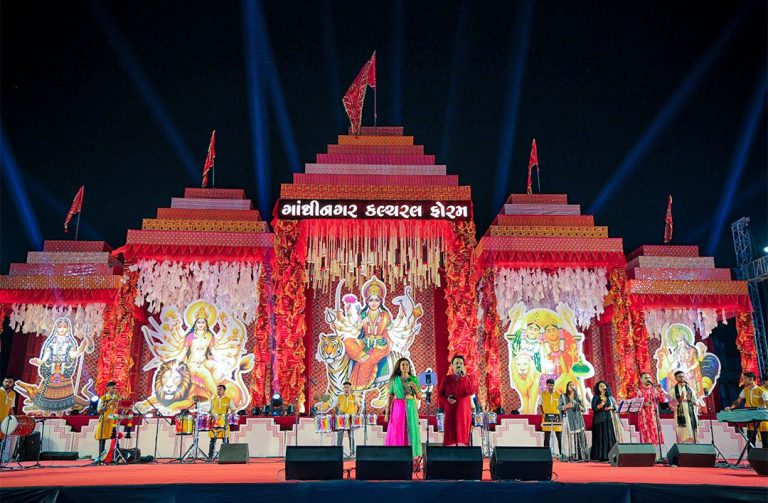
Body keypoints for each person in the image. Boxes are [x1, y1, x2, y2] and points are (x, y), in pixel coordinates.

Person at [344, 278, 393, 391]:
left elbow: (389, 328)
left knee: (367, 362)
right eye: (371, 300)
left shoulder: (385, 315)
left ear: (380, 301)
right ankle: (362, 356)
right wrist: (359, 323)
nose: (374, 303)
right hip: (365, 343)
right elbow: (357, 329)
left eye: (376, 300)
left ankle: (359, 387)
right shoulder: (363, 314)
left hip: (380, 346)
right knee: (347, 341)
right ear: (367, 302)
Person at [385, 358, 422, 460]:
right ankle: (397, 454)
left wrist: (415, 388)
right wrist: (387, 412)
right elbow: (390, 395)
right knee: (398, 429)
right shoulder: (394, 379)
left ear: (409, 367)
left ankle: (413, 455)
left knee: (411, 428)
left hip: (411, 405)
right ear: (399, 367)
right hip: (398, 406)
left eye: (407, 365)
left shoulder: (414, 379)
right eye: (403, 365)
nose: (405, 367)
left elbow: (419, 396)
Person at [438, 355, 476, 446]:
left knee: (463, 439)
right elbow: (440, 395)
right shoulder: (446, 379)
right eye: (457, 363)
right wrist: (447, 400)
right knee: (450, 438)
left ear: (463, 365)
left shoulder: (467, 378)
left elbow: (470, 392)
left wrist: (464, 377)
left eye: (461, 363)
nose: (459, 365)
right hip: (450, 412)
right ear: (452, 365)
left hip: (463, 413)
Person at [725, 371, 768, 448]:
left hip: (762, 421)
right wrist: (731, 408)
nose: (743, 381)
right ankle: (751, 460)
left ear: (751, 379)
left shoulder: (762, 391)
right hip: (750, 420)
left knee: (766, 443)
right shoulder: (745, 390)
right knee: (750, 444)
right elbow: (738, 401)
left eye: (745, 379)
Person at [558, 381, 589, 461]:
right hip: (568, 420)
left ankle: (579, 456)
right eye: (570, 385)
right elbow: (559, 407)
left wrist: (580, 407)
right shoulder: (563, 397)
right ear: (567, 387)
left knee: (579, 436)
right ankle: (569, 456)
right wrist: (566, 406)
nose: (572, 386)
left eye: (573, 385)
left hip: (578, 420)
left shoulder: (578, 397)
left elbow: (584, 409)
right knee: (568, 437)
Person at [635, 372, 668, 445]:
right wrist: (644, 404)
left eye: (649, 378)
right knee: (647, 440)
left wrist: (661, 390)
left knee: (657, 439)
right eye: (646, 378)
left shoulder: (654, 390)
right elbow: (635, 405)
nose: (648, 379)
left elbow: (662, 400)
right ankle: (649, 455)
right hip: (644, 420)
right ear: (641, 379)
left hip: (655, 418)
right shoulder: (638, 391)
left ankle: (658, 455)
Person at [590, 380, 620, 461]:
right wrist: (601, 405)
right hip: (599, 420)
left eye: (604, 385)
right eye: (600, 386)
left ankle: (611, 455)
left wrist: (611, 408)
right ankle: (601, 456)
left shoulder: (610, 397)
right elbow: (594, 408)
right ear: (598, 388)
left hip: (608, 419)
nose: (602, 387)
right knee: (600, 437)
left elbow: (615, 407)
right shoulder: (596, 397)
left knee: (609, 437)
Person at [670, 370, 699, 443]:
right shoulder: (673, 390)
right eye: (679, 377)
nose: (682, 378)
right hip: (680, 414)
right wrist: (680, 399)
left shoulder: (690, 389)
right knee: (683, 432)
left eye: (683, 376)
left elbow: (697, 403)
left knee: (692, 431)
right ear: (676, 378)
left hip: (691, 413)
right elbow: (670, 404)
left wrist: (691, 400)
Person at [95, 381, 120, 462]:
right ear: (108, 388)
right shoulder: (103, 398)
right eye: (113, 388)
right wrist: (110, 403)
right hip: (105, 421)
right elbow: (99, 410)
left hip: (113, 421)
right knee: (102, 440)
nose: (115, 389)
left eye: (115, 388)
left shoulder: (118, 398)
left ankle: (115, 457)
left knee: (115, 440)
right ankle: (101, 458)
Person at [536, 378, 562, 455]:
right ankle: (545, 454)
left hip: (557, 417)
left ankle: (561, 454)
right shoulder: (543, 394)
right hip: (546, 417)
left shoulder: (558, 394)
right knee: (547, 437)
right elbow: (540, 405)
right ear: (546, 385)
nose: (551, 387)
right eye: (549, 385)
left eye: (552, 385)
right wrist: (542, 413)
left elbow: (561, 406)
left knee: (559, 437)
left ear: (554, 385)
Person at [208, 384, 234, 460]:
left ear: (224, 391)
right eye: (217, 389)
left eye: (220, 389)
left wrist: (228, 415)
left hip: (224, 421)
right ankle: (210, 456)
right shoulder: (213, 399)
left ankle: (227, 456)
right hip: (214, 422)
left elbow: (233, 410)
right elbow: (209, 411)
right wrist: (212, 415)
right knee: (212, 440)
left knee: (225, 439)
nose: (218, 391)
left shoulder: (228, 399)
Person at [336, 381, 359, 457]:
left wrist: (357, 414)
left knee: (351, 436)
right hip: (342, 418)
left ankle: (352, 453)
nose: (346, 389)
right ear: (343, 388)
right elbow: (336, 406)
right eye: (345, 387)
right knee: (340, 435)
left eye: (348, 387)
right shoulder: (340, 397)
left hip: (351, 418)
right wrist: (338, 413)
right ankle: (338, 453)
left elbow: (360, 406)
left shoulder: (354, 397)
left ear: (350, 388)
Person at [0, 377, 16, 462]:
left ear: (13, 384)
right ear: (3, 382)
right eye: (6, 381)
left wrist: (14, 420)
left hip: (4, 421)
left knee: (1, 440)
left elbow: (11, 408)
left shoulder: (13, 394)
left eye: (10, 382)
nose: (7, 383)